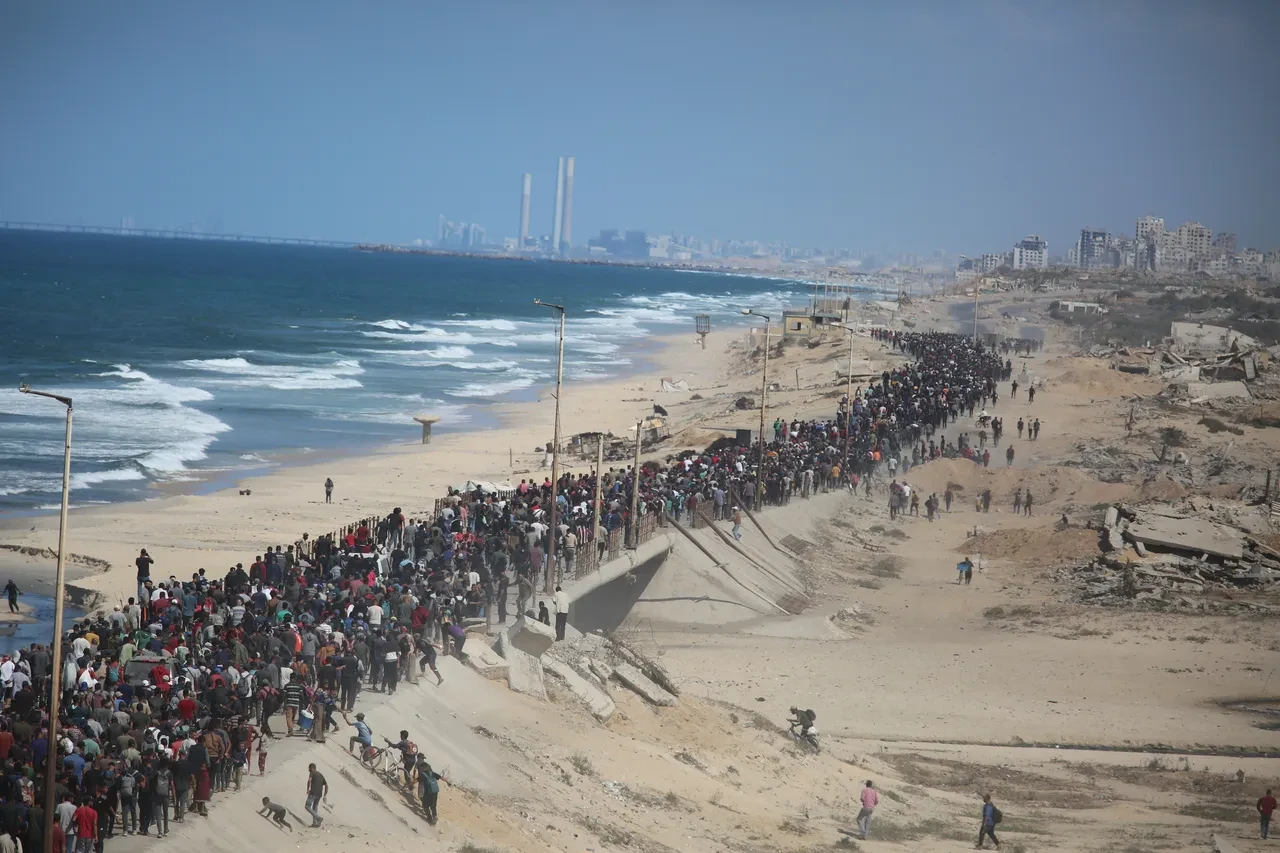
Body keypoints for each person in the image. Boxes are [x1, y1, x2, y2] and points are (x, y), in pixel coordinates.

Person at [416, 755, 444, 825]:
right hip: (435, 790)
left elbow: (416, 780)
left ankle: (429, 819)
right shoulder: (431, 771)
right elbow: (440, 777)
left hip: (427, 791)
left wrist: (409, 785)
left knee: (425, 806)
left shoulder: (422, 774)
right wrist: (448, 782)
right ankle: (435, 816)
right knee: (433, 805)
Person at [305, 762, 327, 828]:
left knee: (307, 806)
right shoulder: (321, 775)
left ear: (312, 768)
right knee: (315, 807)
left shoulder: (312, 773)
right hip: (319, 794)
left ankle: (318, 818)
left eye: (309, 769)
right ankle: (315, 823)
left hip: (313, 792)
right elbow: (326, 785)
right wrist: (325, 795)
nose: (309, 770)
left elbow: (309, 780)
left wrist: (308, 789)